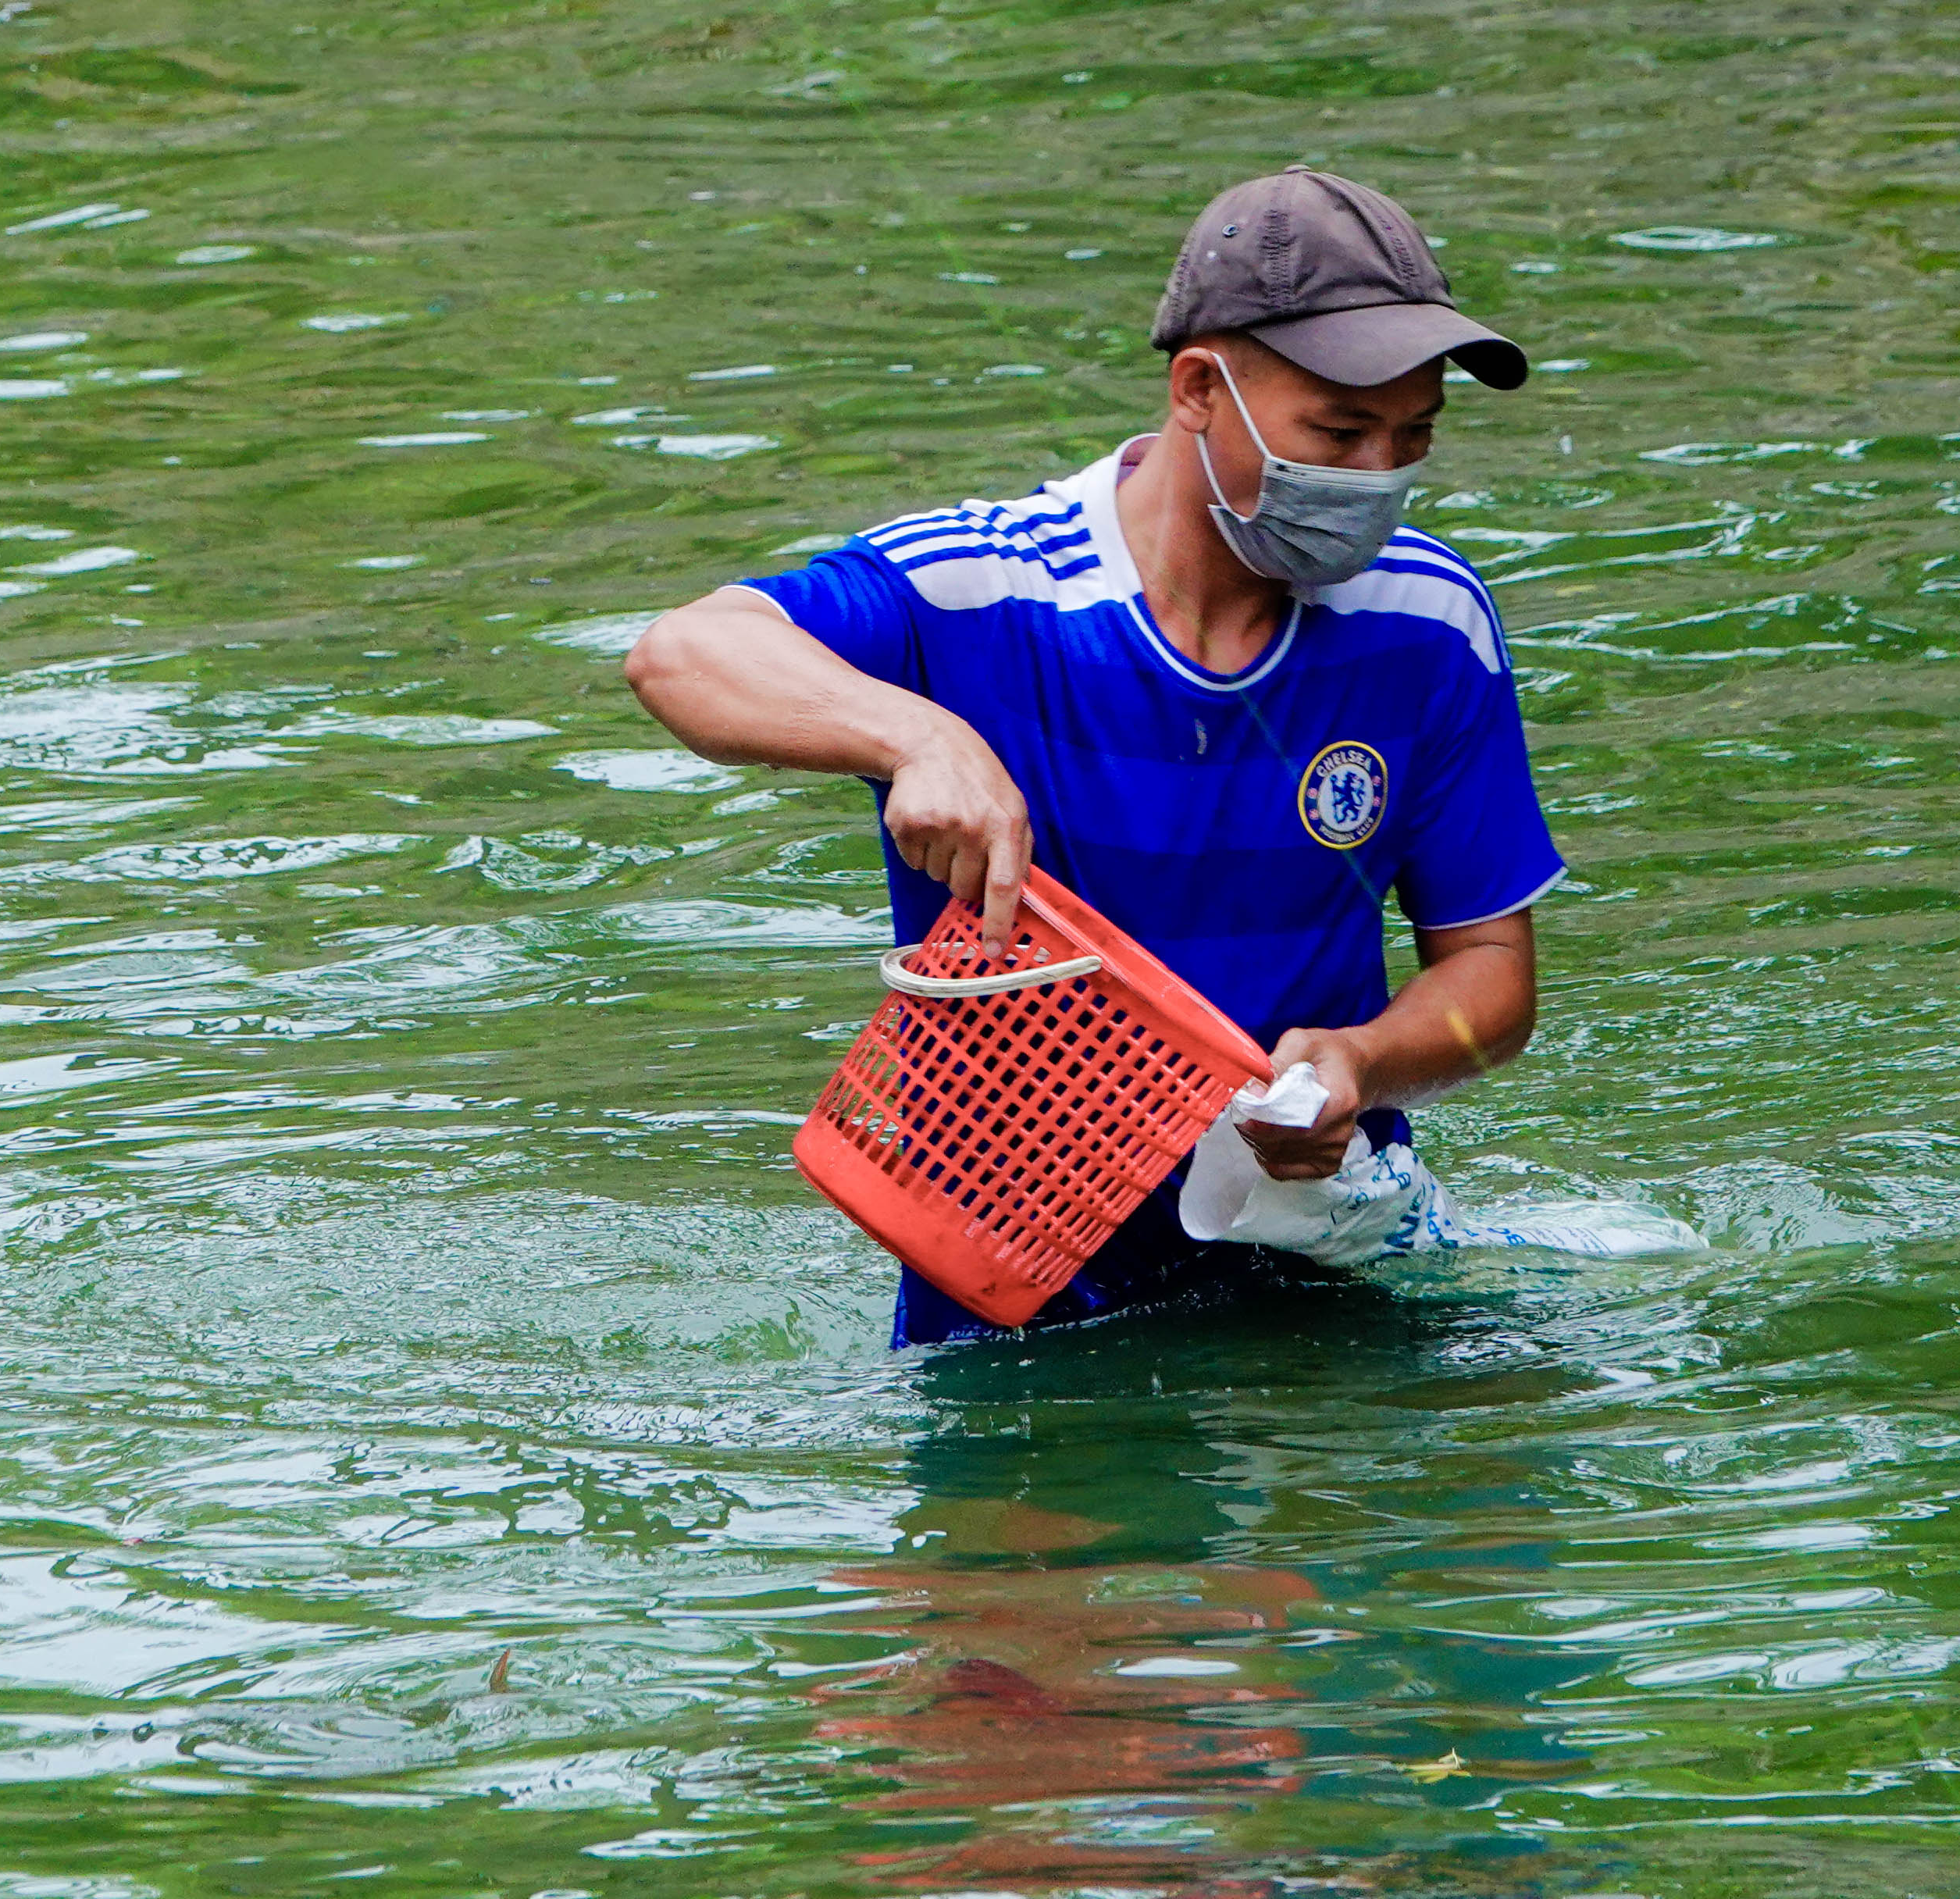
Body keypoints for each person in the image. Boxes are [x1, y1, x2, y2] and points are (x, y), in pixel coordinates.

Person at [625, 166, 1563, 1346]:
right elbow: (683, 652)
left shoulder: (1429, 620)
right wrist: (919, 734)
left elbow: (1492, 973)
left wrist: (1364, 1064)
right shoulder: (977, 586)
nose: (1376, 479)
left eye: (1412, 436)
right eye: (1338, 433)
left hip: (1320, 1262)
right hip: (1016, 1293)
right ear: (1197, 391)